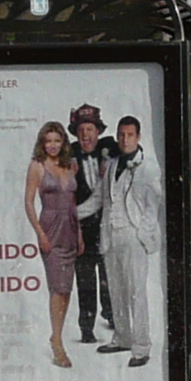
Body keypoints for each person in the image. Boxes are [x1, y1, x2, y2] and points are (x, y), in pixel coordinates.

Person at [99, 116, 165, 370]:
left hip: (132, 235)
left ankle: (141, 347)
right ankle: (122, 337)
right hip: (112, 235)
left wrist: (141, 233)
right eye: (121, 135)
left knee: (136, 292)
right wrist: (72, 212)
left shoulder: (147, 167)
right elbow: (101, 199)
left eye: (129, 135)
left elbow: (153, 205)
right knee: (116, 290)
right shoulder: (113, 164)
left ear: (138, 137)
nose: (125, 139)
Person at [26, 121, 82, 369]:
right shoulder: (37, 167)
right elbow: (28, 203)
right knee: (56, 288)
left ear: (63, 143)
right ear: (42, 142)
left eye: (56, 141)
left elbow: (72, 203)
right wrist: (39, 233)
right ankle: (57, 341)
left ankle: (57, 333)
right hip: (50, 228)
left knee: (67, 288)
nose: (52, 145)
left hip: (70, 228)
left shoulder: (70, 166)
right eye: (48, 141)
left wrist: (79, 234)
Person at [67, 104, 114, 353]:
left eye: (90, 129)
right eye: (82, 130)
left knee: (111, 278)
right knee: (85, 282)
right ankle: (86, 327)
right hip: (82, 230)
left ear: (98, 131)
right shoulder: (68, 156)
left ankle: (113, 316)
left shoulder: (111, 150)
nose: (86, 134)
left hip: (108, 229)